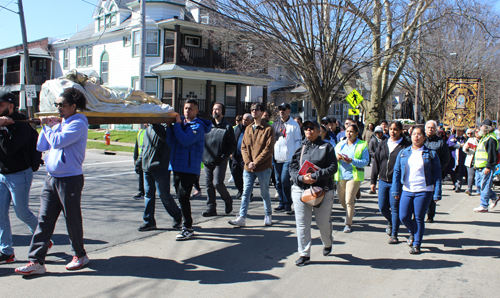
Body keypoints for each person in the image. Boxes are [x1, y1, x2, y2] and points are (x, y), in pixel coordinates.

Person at [16, 87, 89, 275]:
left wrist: (48, 127)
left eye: (62, 105)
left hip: (69, 179)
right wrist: (47, 126)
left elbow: (58, 142)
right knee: (44, 220)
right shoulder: (60, 123)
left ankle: (80, 255)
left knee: (72, 218)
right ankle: (36, 261)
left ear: (73, 106)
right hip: (51, 178)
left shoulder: (78, 123)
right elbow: (41, 145)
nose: (58, 108)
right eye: (56, 104)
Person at [289, 120, 338, 266]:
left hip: (322, 191)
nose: (308, 130)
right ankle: (304, 254)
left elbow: (333, 168)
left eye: (312, 128)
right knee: (302, 223)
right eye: (306, 128)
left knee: (322, 223)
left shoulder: (327, 147)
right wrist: (300, 178)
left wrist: (316, 176)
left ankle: (327, 242)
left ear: (319, 131)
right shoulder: (300, 148)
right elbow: (292, 167)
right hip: (301, 189)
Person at [0, 92, 39, 265]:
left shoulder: (22, 125)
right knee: (0, 214)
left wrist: (1, 129)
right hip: (1, 174)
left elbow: (9, 149)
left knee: (22, 212)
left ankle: (42, 238)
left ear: (11, 106)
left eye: (1, 105)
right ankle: (6, 251)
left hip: (19, 174)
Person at [391, 126, 442, 254]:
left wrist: (437, 193)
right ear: (411, 136)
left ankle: (417, 244)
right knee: (403, 217)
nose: (416, 137)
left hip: (424, 190)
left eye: (419, 134)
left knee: (419, 217)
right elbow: (397, 172)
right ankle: (414, 232)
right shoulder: (404, 153)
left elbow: (437, 174)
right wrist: (395, 190)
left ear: (424, 138)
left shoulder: (431, 154)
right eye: (414, 134)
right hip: (407, 189)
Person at [166, 99, 211, 240]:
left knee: (184, 196)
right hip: (177, 165)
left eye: (190, 108)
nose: (187, 111)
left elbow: (185, 140)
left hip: (190, 167)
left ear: (196, 111)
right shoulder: (182, 125)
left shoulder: (198, 126)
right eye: (185, 108)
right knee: (180, 196)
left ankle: (188, 227)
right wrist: (169, 127)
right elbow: (172, 141)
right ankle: (186, 223)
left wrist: (177, 126)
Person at [228, 102, 275, 227]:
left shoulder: (268, 129)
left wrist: (256, 162)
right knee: (246, 192)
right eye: (253, 109)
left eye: (257, 109)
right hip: (248, 167)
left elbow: (268, 149)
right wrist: (248, 162)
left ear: (262, 112)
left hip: (263, 167)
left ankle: (268, 214)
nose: (254, 111)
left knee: (264, 192)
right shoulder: (248, 128)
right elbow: (243, 147)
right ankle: (242, 217)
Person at [136, 124, 182, 231]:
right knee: (148, 195)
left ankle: (177, 214)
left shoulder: (164, 130)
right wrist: (139, 162)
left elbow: (166, 140)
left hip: (160, 167)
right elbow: (144, 148)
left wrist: (155, 123)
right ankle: (149, 221)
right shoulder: (147, 130)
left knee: (163, 195)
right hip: (147, 168)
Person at [370, 120, 410, 244]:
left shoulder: (405, 145)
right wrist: (373, 180)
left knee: (395, 208)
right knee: (382, 207)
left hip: (396, 182)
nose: (392, 132)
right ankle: (393, 221)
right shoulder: (383, 143)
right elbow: (376, 162)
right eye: (391, 129)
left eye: (395, 129)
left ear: (400, 131)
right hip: (383, 180)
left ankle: (394, 234)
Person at [202, 102, 237, 217]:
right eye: (213, 109)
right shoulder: (208, 126)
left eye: (217, 109)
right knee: (208, 185)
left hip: (220, 160)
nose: (215, 111)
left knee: (217, 183)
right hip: (207, 160)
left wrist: (223, 156)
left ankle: (227, 200)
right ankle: (211, 208)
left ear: (222, 111)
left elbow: (232, 145)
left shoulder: (227, 127)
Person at [334, 124, 369, 233]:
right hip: (340, 175)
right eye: (347, 131)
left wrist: (352, 161)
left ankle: (348, 224)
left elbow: (365, 162)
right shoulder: (340, 145)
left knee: (349, 200)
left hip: (354, 176)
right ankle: (351, 212)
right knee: (341, 199)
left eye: (351, 132)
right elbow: (333, 158)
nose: (348, 134)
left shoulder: (362, 145)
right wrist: (337, 158)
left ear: (356, 133)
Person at [272, 102, 302, 214]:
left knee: (285, 180)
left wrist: (295, 159)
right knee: (278, 182)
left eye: (284, 109)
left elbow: (298, 143)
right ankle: (282, 203)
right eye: (280, 109)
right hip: (277, 158)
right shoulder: (275, 124)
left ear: (289, 110)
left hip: (288, 159)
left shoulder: (294, 125)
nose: (281, 111)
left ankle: (288, 203)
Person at [424, 120, 450, 223]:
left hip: (434, 173)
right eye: (428, 127)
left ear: (436, 129)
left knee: (431, 195)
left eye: (432, 128)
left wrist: (439, 168)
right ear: (425, 129)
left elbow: (446, 158)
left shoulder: (440, 142)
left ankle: (430, 215)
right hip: (421, 172)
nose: (430, 129)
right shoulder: (420, 140)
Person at [473, 119, 500, 212]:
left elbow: (491, 154)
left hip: (486, 167)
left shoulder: (491, 139)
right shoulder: (485, 137)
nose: (480, 128)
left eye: (482, 126)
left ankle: (484, 205)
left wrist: (488, 166)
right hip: (480, 167)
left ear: (487, 128)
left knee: (485, 186)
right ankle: (494, 196)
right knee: (479, 185)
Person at [231, 113, 253, 200]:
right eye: (243, 119)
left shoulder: (252, 129)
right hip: (236, 156)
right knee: (235, 173)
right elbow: (234, 140)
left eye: (247, 119)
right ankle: (240, 190)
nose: (244, 121)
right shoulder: (238, 128)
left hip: (247, 157)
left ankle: (248, 193)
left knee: (246, 176)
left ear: (251, 121)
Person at [463, 128, 479, 195]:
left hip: (479, 161)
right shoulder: (471, 140)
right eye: (476, 132)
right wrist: (467, 148)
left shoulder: (483, 140)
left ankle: (479, 189)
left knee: (478, 177)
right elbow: (464, 149)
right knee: (470, 176)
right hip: (471, 160)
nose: (477, 133)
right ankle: (469, 188)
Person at [133, 125, 147, 200]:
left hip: (149, 158)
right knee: (141, 175)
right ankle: (141, 192)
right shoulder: (141, 132)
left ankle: (147, 192)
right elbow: (137, 146)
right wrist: (135, 158)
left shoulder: (152, 131)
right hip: (141, 158)